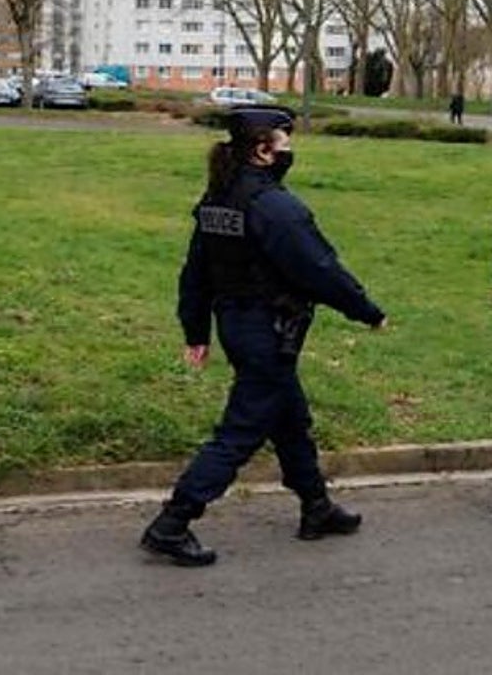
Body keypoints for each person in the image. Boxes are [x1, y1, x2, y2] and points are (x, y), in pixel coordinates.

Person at [141, 106, 387, 567]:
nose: (290, 150)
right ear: (262, 150)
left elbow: (195, 272)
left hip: (237, 327)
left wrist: (196, 330)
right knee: (240, 431)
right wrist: (367, 312)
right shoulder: (274, 207)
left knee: (290, 418)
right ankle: (172, 524)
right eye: (285, 142)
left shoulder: (219, 199)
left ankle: (316, 507)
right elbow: (319, 269)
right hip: (268, 333)